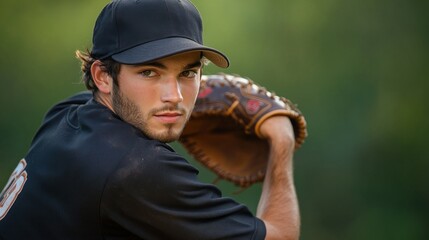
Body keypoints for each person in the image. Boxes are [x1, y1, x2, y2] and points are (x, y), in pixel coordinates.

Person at [0, 0, 300, 239]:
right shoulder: (137, 170)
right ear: (103, 76)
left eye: (188, 73)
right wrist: (281, 139)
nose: (175, 96)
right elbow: (281, 237)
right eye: (149, 72)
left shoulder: (65, 115)